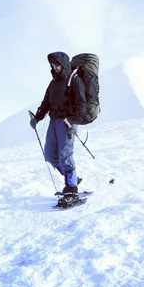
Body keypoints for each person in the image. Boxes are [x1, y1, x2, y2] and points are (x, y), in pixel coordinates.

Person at [29, 52, 87, 193]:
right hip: (54, 121)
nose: (54, 67)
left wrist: (73, 121)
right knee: (49, 155)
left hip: (67, 122)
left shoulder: (74, 80)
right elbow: (46, 102)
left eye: (57, 64)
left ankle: (71, 187)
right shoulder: (53, 83)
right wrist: (37, 117)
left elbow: (82, 104)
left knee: (65, 155)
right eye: (53, 64)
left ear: (64, 64)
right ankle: (72, 177)